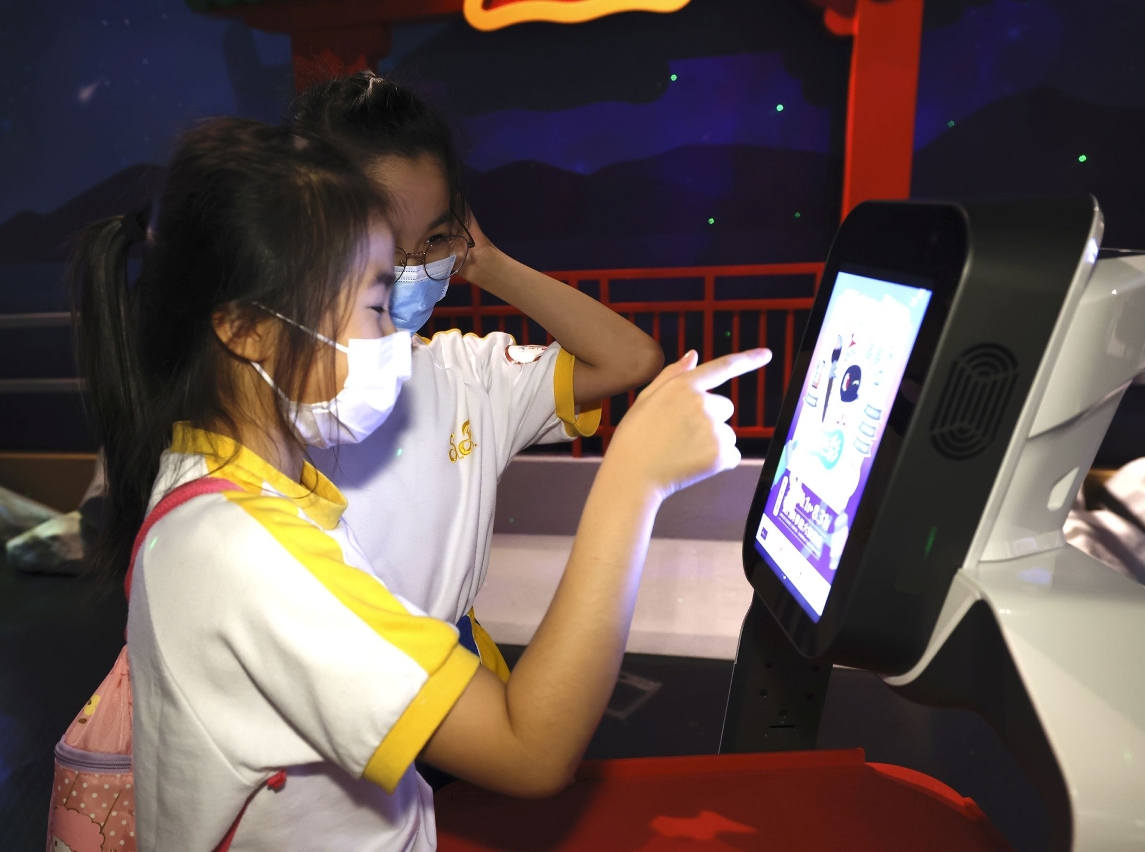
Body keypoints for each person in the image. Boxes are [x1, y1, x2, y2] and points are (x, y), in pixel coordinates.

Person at [70, 115, 771, 849]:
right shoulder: (244, 553)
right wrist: (632, 481)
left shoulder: (217, 489)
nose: (394, 340)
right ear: (247, 330)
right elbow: (529, 750)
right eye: (375, 305)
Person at [291, 72, 666, 679]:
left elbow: (629, 359)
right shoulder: (259, 394)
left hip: (457, 677)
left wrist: (483, 260)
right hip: (327, 689)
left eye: (434, 239)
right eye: (385, 243)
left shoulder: (470, 372)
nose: (413, 268)